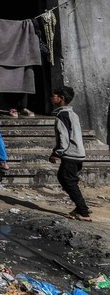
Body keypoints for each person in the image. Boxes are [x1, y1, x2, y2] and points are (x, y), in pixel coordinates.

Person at [50, 86, 91, 221]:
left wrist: (57, 153)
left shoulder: (62, 115)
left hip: (70, 154)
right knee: (66, 179)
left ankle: (83, 211)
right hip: (78, 153)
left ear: (61, 99)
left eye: (54, 96)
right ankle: (80, 207)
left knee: (68, 180)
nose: (52, 98)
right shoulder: (72, 114)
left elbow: (64, 138)